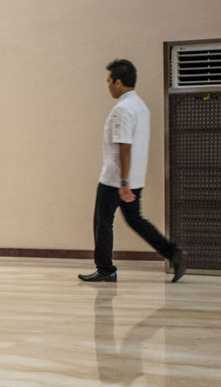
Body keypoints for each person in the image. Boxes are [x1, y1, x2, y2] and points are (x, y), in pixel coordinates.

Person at [78, 58, 186, 283]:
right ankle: (172, 253)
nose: (107, 85)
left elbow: (124, 146)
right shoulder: (140, 106)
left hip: (115, 179)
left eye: (109, 81)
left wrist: (123, 182)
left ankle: (105, 269)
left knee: (103, 221)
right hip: (134, 176)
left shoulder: (122, 109)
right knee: (135, 219)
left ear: (118, 82)